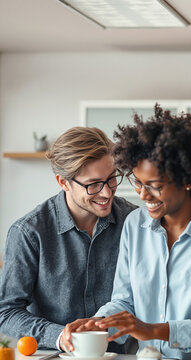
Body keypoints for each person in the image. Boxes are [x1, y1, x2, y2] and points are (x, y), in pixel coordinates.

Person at [61, 105, 191, 360]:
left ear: (188, 179)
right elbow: (124, 302)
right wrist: (97, 324)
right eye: (137, 181)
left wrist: (154, 330)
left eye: (155, 186)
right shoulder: (134, 224)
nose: (142, 194)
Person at [0, 127, 136, 351]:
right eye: (93, 184)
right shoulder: (29, 233)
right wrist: (60, 336)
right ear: (63, 182)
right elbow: (6, 311)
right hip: (54, 355)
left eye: (112, 178)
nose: (107, 193)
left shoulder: (133, 222)